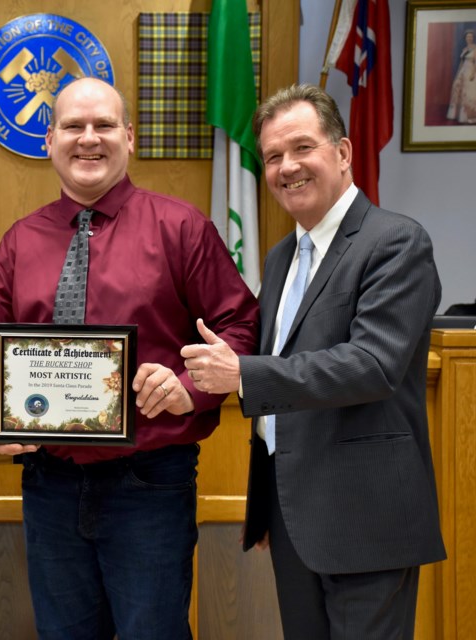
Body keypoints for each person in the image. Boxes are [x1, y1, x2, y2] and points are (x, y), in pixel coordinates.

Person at [0, 77, 259, 639]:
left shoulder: (182, 228)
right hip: (48, 484)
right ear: (49, 139)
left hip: (148, 483)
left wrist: (189, 387)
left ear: (129, 137)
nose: (89, 139)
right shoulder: (18, 242)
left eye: (103, 125)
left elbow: (239, 323)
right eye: (74, 127)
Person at [181, 84, 445, 639]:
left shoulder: (395, 242)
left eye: (302, 148)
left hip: (364, 515)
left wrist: (242, 374)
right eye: (273, 156)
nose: (286, 167)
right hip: (294, 513)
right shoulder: (281, 257)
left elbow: (371, 364)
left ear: (344, 153)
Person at [447, 29, 476, 124]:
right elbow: (461, 62)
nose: (469, 38)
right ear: (465, 38)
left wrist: (473, 74)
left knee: (468, 92)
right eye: (468, 36)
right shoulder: (464, 49)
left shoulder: (475, 48)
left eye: (471, 36)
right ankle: (458, 114)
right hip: (462, 71)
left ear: (473, 38)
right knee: (457, 90)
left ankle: (469, 115)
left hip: (471, 71)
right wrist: (458, 73)